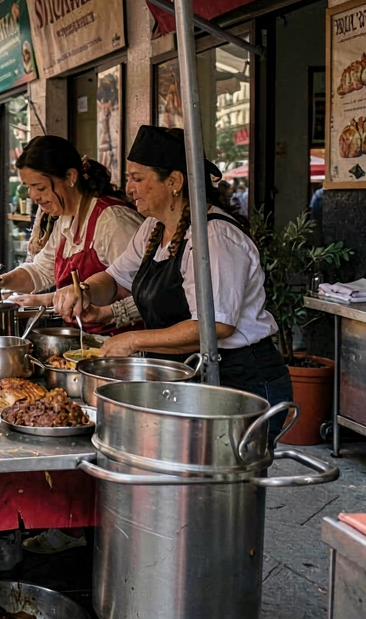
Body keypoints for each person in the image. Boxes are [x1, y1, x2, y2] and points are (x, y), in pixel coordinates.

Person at [55, 125, 290, 429]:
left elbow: (216, 326)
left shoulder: (214, 238)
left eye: (138, 179)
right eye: (129, 178)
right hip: (188, 378)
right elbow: (114, 280)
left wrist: (133, 339)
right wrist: (85, 291)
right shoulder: (152, 229)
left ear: (174, 182)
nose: (130, 188)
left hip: (241, 384)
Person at [0, 136, 143, 333]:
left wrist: (48, 299)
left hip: (123, 343)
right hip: (84, 338)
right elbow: (41, 270)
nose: (33, 196)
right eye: (29, 187)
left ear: (70, 177)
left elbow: (144, 291)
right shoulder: (67, 218)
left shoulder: (113, 222)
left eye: (39, 187)